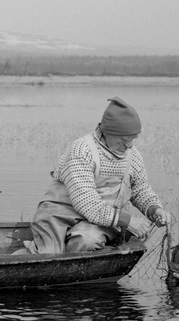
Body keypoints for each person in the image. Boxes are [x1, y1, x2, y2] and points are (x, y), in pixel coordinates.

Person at [26, 96, 170, 254]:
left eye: (133, 139)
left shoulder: (132, 155)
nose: (130, 145)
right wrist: (129, 221)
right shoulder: (82, 151)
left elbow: (140, 189)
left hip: (96, 222)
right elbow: (88, 204)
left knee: (87, 241)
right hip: (56, 218)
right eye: (124, 140)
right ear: (107, 132)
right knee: (47, 255)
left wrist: (154, 209)